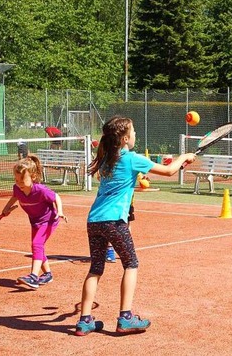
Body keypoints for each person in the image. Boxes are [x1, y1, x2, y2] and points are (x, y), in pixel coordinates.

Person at [75, 116, 197, 336]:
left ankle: (84, 321)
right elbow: (168, 171)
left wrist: (179, 163)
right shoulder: (131, 158)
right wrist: (183, 158)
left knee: (95, 268)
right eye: (132, 132)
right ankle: (126, 317)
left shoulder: (104, 157)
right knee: (131, 264)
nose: (135, 135)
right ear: (123, 139)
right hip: (114, 220)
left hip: (94, 220)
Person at [1, 155, 67, 290]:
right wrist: (6, 208)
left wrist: (59, 212)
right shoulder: (17, 189)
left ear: (33, 177)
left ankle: (34, 277)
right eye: (16, 179)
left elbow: (56, 197)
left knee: (37, 244)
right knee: (38, 246)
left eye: (22, 180)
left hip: (49, 220)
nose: (18, 183)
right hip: (35, 221)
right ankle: (47, 274)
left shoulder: (41, 190)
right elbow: (14, 197)